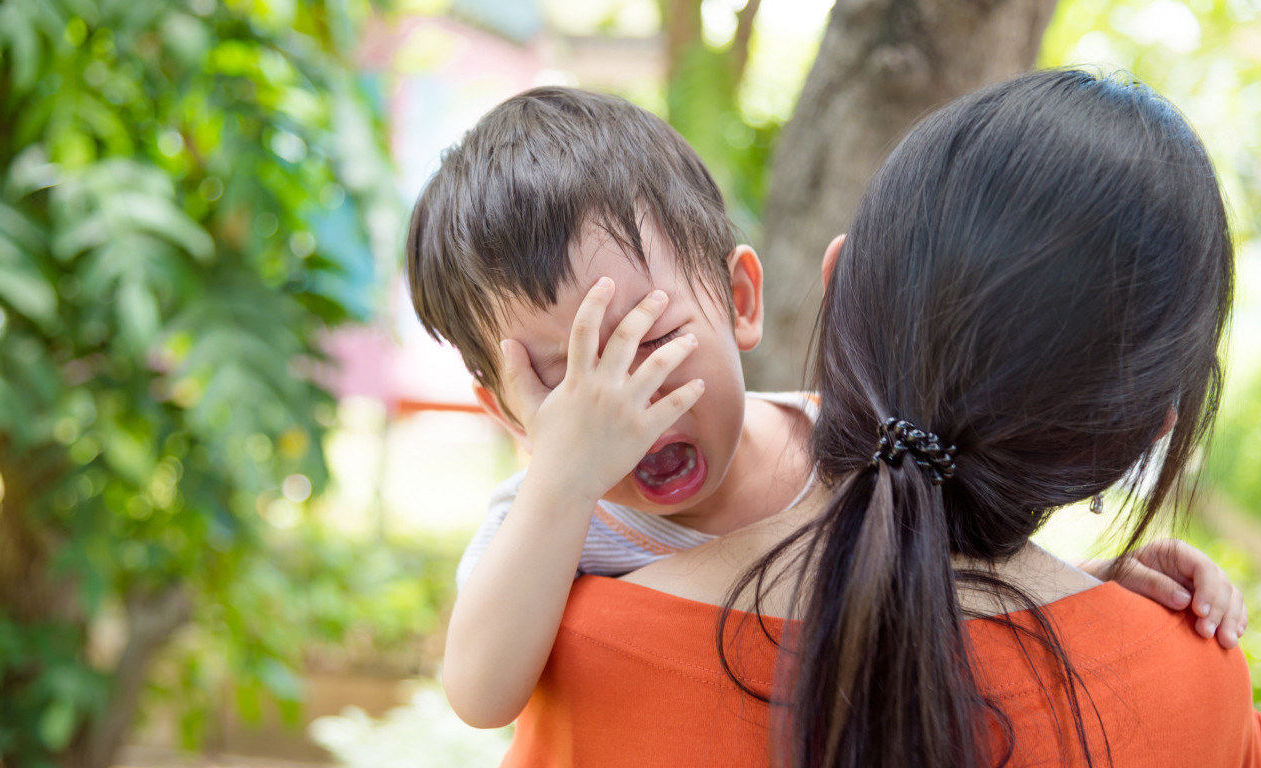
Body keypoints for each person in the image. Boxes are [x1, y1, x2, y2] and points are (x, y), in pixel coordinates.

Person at [405, 85, 1247, 734]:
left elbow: (940, 580)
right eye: (564, 383)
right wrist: (560, 479)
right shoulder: (547, 523)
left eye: (650, 341)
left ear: (740, 298)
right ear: (505, 410)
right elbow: (481, 696)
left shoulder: (849, 440)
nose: (622, 402)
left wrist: (1090, 585)